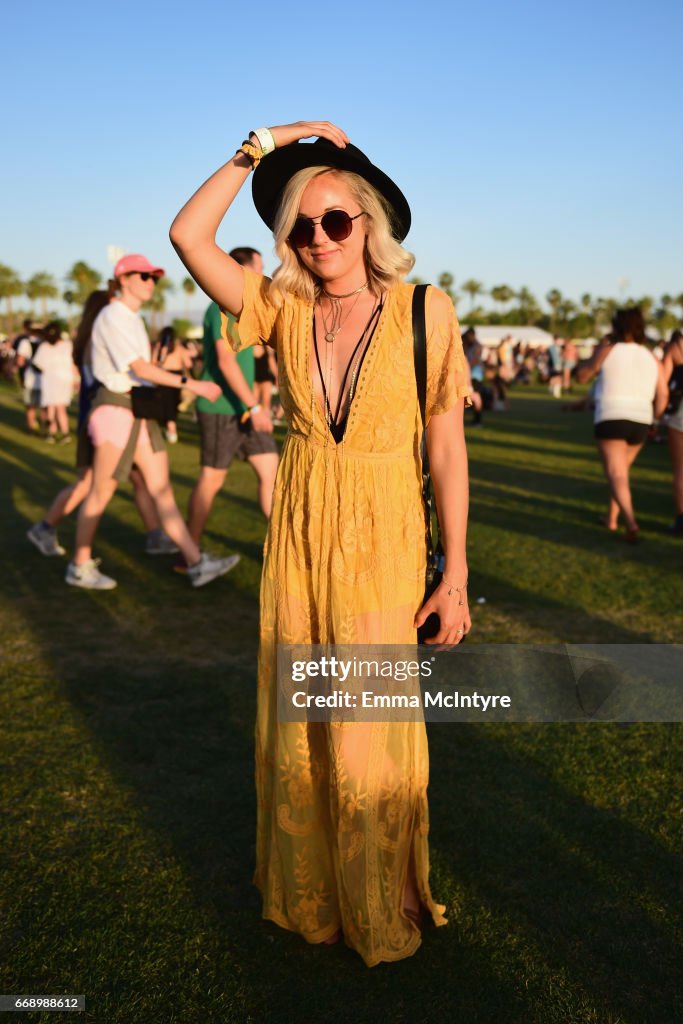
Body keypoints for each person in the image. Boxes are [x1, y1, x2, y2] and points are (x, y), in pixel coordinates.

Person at [170, 120, 472, 966]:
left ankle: (379, 897)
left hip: (385, 529)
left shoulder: (425, 311)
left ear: (368, 223)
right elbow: (188, 235)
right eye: (301, 226)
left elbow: (445, 446)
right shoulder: (279, 305)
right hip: (300, 529)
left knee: (370, 729)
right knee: (305, 717)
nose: (318, 237)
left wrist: (454, 576)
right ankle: (314, 897)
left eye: (335, 219)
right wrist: (269, 142)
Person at [65, 253, 241, 590]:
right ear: (124, 278)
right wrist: (194, 384)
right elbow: (140, 370)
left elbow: (143, 371)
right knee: (101, 492)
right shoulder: (113, 315)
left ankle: (196, 562)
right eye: (144, 276)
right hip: (116, 411)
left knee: (162, 492)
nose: (151, 282)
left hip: (136, 412)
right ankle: (79, 564)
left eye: (153, 277)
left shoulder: (131, 318)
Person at [27, 290, 176, 558]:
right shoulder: (98, 341)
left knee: (138, 480)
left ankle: (155, 536)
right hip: (107, 419)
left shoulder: (92, 340)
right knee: (90, 484)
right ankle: (50, 531)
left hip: (111, 417)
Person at [183, 247, 278, 556]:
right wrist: (254, 405)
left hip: (248, 409)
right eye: (257, 268)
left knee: (270, 473)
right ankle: (190, 553)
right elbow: (225, 362)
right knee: (212, 480)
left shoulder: (246, 310)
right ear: (238, 270)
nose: (261, 275)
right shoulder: (219, 308)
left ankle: (281, 549)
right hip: (222, 408)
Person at [577, 307, 668, 542]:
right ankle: (612, 519)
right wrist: (656, 419)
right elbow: (663, 393)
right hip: (641, 419)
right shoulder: (651, 356)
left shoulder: (609, 350)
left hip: (611, 415)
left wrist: (592, 359)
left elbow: (583, 376)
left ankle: (630, 522)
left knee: (616, 474)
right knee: (621, 473)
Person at [662, 306, 683, 535]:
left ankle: (681, 519)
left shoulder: (676, 347)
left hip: (682, 408)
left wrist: (657, 414)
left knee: (681, 468)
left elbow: (663, 383)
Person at [32, 321, 77, 443]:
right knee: (60, 408)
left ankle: (51, 433)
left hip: (50, 381)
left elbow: (38, 365)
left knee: (51, 408)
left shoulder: (44, 347)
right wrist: (76, 378)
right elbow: (73, 364)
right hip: (63, 380)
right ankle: (64, 433)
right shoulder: (67, 345)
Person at [155, 326, 194, 443]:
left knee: (165, 405)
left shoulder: (159, 346)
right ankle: (172, 431)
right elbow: (188, 364)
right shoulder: (179, 348)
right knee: (171, 405)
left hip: (162, 376)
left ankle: (169, 430)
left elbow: (154, 362)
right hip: (176, 378)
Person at [14, 319, 44, 433]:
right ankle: (46, 426)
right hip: (44, 379)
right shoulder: (44, 343)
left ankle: (31, 426)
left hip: (30, 378)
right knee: (43, 406)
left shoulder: (25, 343)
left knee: (30, 405)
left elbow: (20, 361)